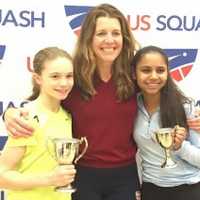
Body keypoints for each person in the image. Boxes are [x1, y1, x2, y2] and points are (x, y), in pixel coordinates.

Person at [2, 4, 197, 200]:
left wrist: (194, 113)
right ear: (89, 38)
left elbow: (165, 92)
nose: (109, 40)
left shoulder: (132, 76)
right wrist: (8, 114)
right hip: (82, 175)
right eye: (101, 33)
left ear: (124, 38)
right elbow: (40, 100)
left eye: (116, 33)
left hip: (125, 176)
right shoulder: (72, 77)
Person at [0, 47, 76, 200]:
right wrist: (50, 179)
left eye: (69, 76)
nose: (64, 83)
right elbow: (2, 176)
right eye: (55, 76)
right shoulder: (27, 117)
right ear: (38, 78)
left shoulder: (67, 116)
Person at [132, 45, 200, 200]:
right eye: (146, 70)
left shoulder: (185, 107)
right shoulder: (131, 106)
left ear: (168, 73)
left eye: (160, 70)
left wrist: (179, 146)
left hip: (188, 189)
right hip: (151, 189)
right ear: (134, 74)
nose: (154, 76)